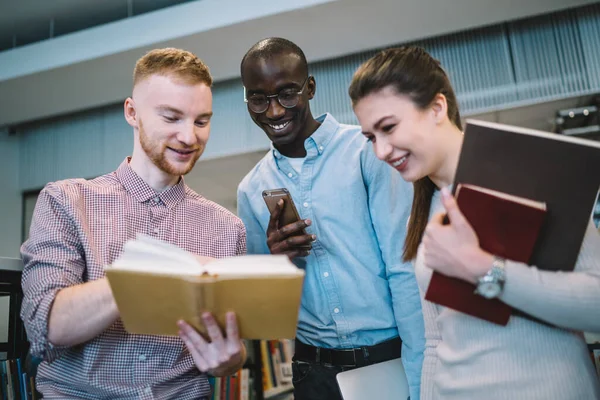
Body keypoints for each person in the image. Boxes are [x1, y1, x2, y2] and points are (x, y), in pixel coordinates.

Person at [349, 45, 600, 400]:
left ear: (438, 107)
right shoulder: (422, 211)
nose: (381, 151)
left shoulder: (531, 175)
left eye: (388, 127)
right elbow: (437, 339)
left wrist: (483, 269)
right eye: (371, 137)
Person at [20, 48, 247, 399]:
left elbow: (229, 349)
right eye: (172, 118)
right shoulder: (66, 201)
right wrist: (154, 270)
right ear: (132, 112)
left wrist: (228, 361)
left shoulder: (228, 229)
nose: (190, 137)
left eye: (202, 121)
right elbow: (43, 326)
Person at [236, 37, 425, 400]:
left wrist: (419, 374)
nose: (274, 111)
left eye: (287, 94)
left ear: (310, 88)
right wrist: (276, 263)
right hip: (314, 374)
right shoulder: (250, 190)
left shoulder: (367, 152)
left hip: (389, 358)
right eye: (258, 98)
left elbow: (404, 268)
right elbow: (263, 314)